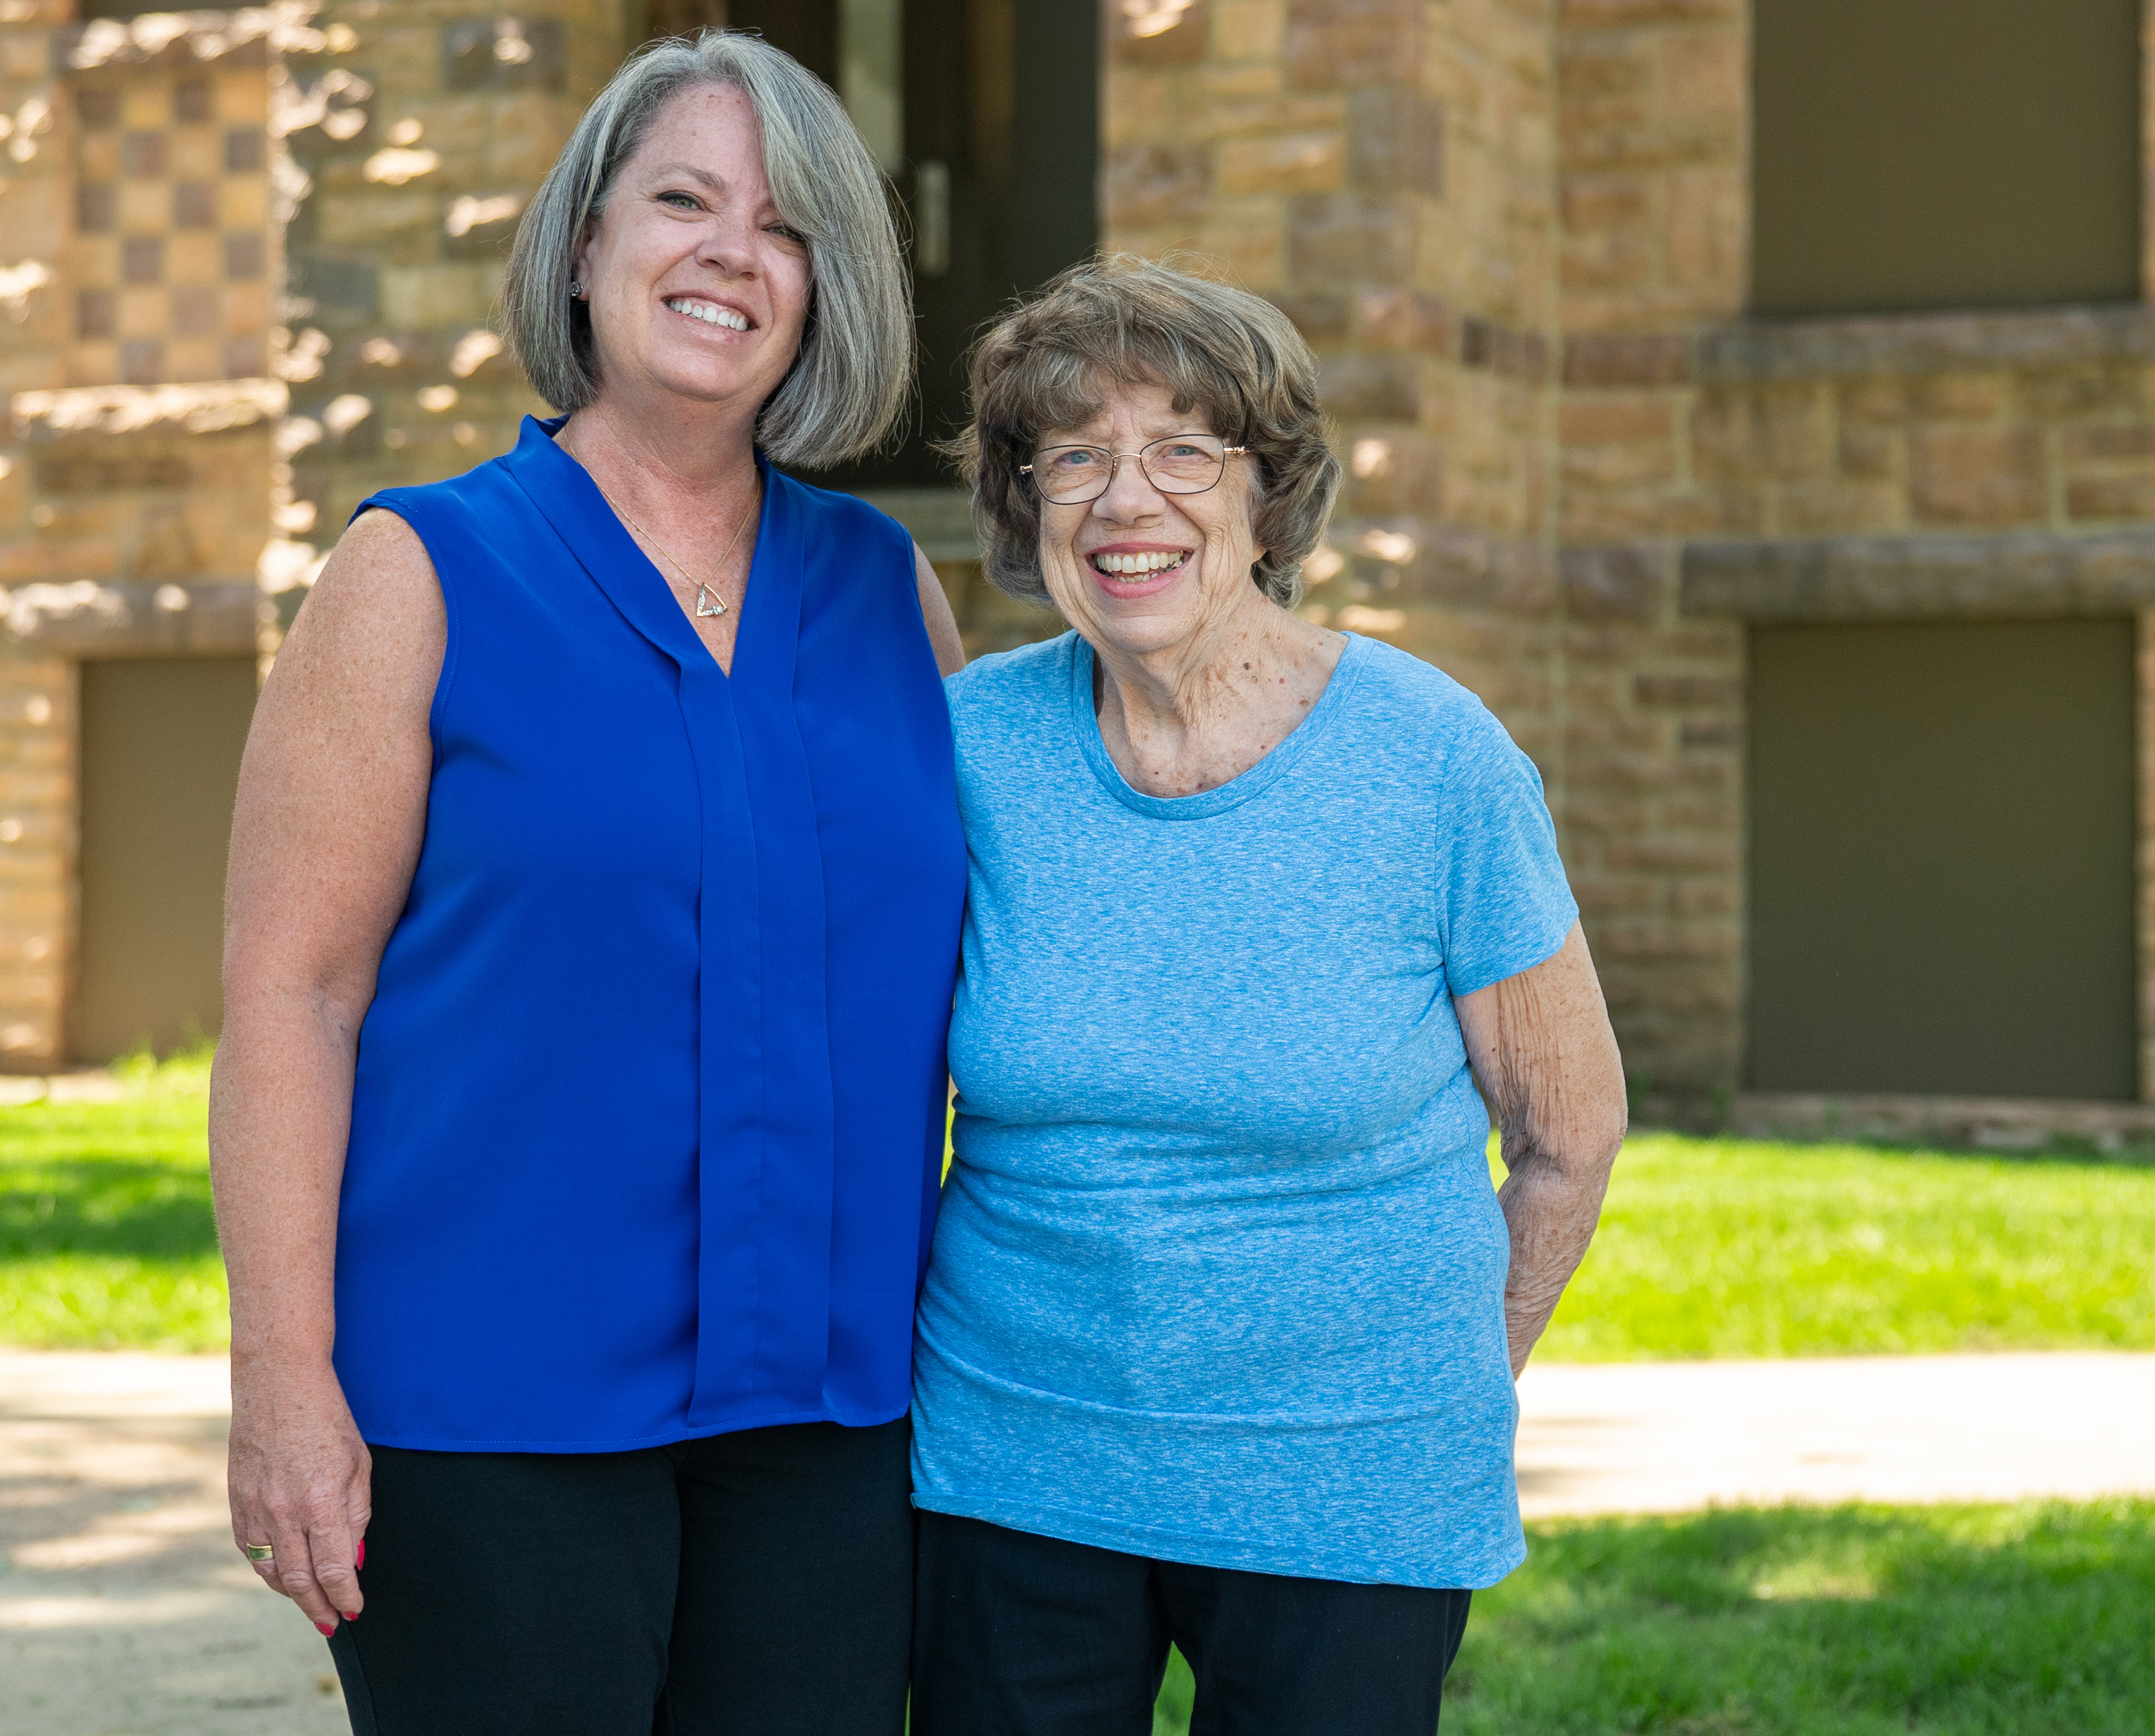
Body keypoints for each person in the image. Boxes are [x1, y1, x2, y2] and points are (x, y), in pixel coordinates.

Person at [207, 30, 965, 1735]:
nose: (728, 253)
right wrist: (282, 1379)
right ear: (581, 247)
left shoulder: (892, 594)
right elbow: (292, 994)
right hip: (489, 1421)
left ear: (823, 286)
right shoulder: (417, 571)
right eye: (681, 200)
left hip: (836, 1428)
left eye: (782, 227)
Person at [908, 255, 1628, 1735]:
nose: (1127, 501)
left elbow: (1569, 1135)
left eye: (1184, 450)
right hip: (1018, 1465)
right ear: (1025, 502)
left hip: (1353, 1480)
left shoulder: (1434, 758)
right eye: (1077, 457)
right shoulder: (968, 750)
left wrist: (1441, 1380)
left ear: (1266, 492)